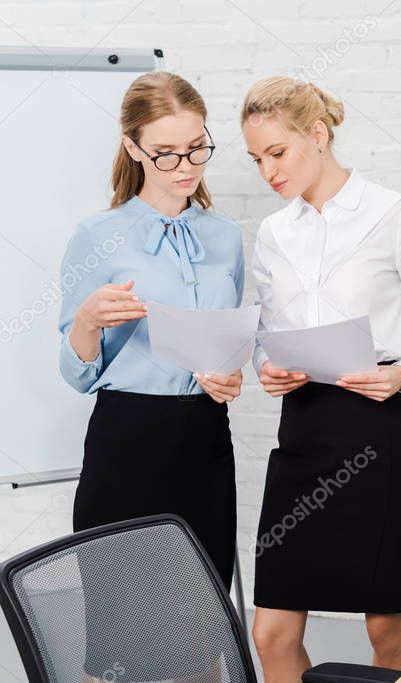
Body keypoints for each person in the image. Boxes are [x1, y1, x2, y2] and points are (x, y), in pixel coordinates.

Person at [240, 77, 401, 677]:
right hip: (301, 434)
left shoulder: (393, 215)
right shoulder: (272, 233)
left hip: (376, 432)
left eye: (276, 154)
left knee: (386, 629)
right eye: (256, 159)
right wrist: (267, 368)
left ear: (317, 135)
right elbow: (266, 330)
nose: (267, 171)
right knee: (270, 631)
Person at [57, 71, 245, 680]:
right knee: (121, 639)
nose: (186, 164)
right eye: (166, 152)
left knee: (202, 631)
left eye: (197, 147)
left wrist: (227, 378)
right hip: (127, 442)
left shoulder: (226, 237)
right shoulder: (98, 236)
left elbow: (234, 341)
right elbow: (77, 372)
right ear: (134, 147)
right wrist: (86, 320)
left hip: (205, 441)